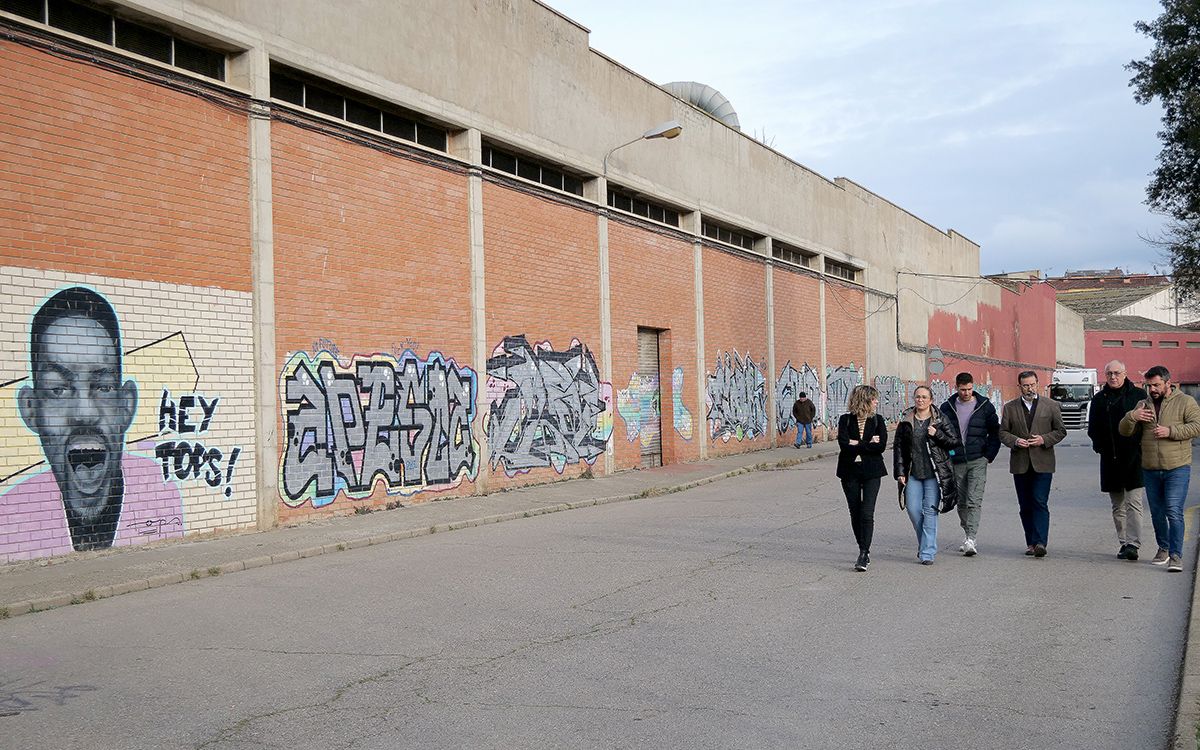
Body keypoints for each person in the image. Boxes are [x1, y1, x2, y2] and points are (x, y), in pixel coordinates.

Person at [4, 287, 182, 560]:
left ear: (127, 405)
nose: (84, 412)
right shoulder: (10, 512)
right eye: (58, 389)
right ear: (30, 408)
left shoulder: (163, 489)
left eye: (103, 387)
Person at [1119, 365, 1200, 572]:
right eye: (1149, 385)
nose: (1152, 389)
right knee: (1157, 512)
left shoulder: (1185, 401)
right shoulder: (1142, 404)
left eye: (1156, 385)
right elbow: (1124, 431)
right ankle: (1163, 548)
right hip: (1150, 468)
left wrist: (1170, 431)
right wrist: (1132, 417)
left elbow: (1196, 426)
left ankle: (1176, 555)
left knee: (1173, 511)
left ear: (1167, 383)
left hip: (1177, 468)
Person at [999, 370, 1066, 557]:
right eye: (1026, 385)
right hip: (1020, 463)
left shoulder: (1051, 405)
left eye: (1032, 384)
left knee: (1039, 501)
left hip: (1043, 462)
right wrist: (1015, 441)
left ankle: (1040, 542)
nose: (1029, 388)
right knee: (1025, 504)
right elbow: (1003, 432)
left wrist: (1043, 439)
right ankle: (1030, 542)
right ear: (1019, 386)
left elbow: (1060, 431)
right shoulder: (1010, 407)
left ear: (1038, 384)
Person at [1087, 360, 1147, 561]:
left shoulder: (1139, 396)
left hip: (1134, 459)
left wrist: (1141, 448)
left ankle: (1134, 544)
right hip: (1110, 459)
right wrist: (1100, 447)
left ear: (1125, 373)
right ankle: (1124, 542)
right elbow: (1092, 428)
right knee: (1118, 506)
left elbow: (1147, 425)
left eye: (1117, 373)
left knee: (1134, 503)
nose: (1113, 377)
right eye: (1109, 373)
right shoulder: (1099, 399)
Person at [894, 385, 960, 565]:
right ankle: (925, 543)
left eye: (924, 397)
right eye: (917, 397)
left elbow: (954, 442)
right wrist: (900, 472)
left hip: (934, 475)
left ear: (931, 400)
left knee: (930, 512)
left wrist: (937, 433)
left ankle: (927, 553)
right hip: (913, 473)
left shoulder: (940, 419)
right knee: (913, 510)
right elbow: (899, 447)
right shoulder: (907, 420)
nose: (920, 400)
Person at [939, 371, 1000, 557]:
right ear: (956, 387)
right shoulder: (947, 407)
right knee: (962, 501)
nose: (966, 392)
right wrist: (949, 454)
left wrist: (988, 455)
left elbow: (995, 432)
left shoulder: (984, 406)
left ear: (973, 387)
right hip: (956, 460)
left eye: (969, 389)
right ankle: (968, 534)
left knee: (974, 500)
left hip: (977, 460)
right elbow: (942, 435)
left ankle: (971, 538)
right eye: (962, 389)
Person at [836, 384, 887, 571]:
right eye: (874, 399)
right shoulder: (846, 420)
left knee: (867, 512)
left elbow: (881, 446)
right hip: (849, 472)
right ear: (865, 400)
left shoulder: (878, 421)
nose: (876, 402)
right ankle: (862, 546)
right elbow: (844, 444)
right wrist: (867, 443)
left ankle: (864, 553)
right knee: (855, 512)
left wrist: (856, 443)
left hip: (872, 472)